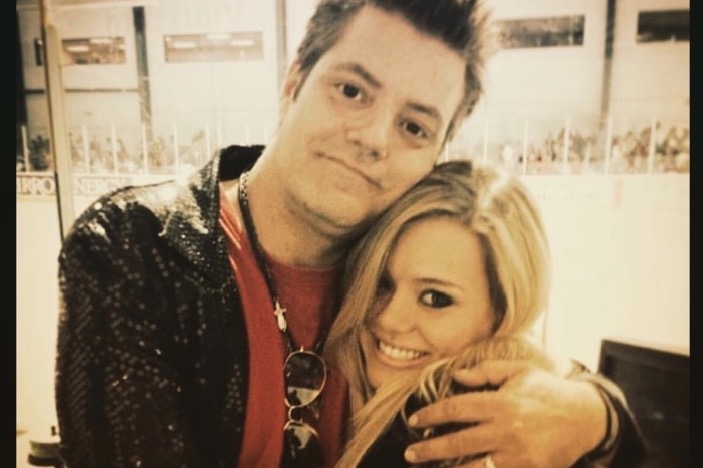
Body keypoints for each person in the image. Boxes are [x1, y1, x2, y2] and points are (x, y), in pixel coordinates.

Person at [54, 1, 645, 467]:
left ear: (436, 156)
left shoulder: (401, 262)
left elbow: (530, 368)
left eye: (414, 125)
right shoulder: (138, 249)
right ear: (294, 83)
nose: (374, 137)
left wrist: (596, 417)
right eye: (352, 91)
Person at [325, 160, 646, 467]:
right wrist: (600, 415)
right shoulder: (543, 401)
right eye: (381, 283)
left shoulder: (434, 426)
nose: (389, 318)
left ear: (503, 314)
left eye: (435, 298)